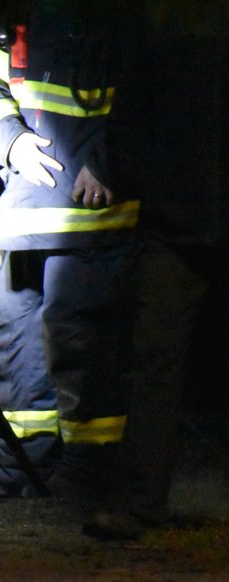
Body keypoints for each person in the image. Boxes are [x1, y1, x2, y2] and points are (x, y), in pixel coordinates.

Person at [0, 0, 139, 499]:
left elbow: (151, 100)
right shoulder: (21, 15)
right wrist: (11, 139)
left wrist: (109, 164)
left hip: (95, 226)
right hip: (26, 226)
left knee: (85, 356)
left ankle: (89, 480)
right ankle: (22, 477)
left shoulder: (127, 19)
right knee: (15, 355)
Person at [85, 1, 229, 540]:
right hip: (178, 217)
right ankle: (139, 502)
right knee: (154, 365)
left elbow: (128, 118)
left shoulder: (159, 15)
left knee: (155, 365)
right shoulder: (160, 17)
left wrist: (156, 188)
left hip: (174, 218)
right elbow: (130, 119)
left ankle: (138, 503)